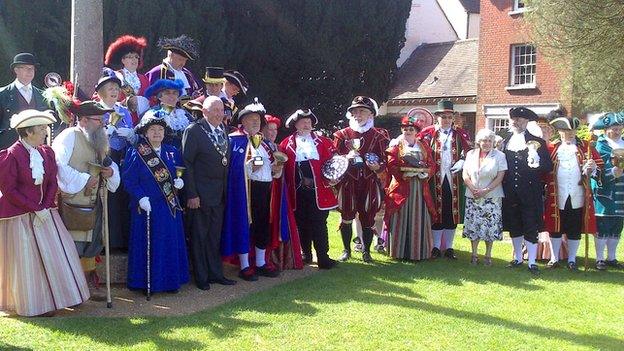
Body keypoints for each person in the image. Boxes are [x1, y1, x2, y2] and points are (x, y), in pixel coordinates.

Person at [0, 110, 89, 317]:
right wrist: (35, 208)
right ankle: (36, 303)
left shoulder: (46, 152)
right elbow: (9, 190)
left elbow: (51, 181)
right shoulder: (10, 156)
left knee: (57, 252)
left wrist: (46, 205)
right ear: (28, 132)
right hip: (19, 217)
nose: (45, 132)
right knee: (27, 259)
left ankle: (66, 296)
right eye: (41, 129)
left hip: (45, 213)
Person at [51, 100, 121, 298]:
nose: (101, 124)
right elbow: (58, 165)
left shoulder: (99, 140)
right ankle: (67, 290)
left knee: (93, 243)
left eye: (102, 120)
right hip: (72, 201)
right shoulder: (68, 136)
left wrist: (110, 172)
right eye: (97, 120)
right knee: (72, 244)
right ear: (82, 120)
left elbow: (109, 163)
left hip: (95, 200)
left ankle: (87, 286)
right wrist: (84, 179)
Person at [123, 114, 189, 293]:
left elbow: (179, 173)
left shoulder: (172, 151)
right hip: (146, 206)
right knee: (149, 244)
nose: (157, 133)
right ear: (145, 132)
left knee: (168, 243)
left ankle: (170, 282)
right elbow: (129, 181)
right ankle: (146, 283)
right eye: (152, 130)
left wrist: (179, 182)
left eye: (160, 130)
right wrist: (140, 197)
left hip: (169, 206)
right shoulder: (136, 152)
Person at [222, 100, 281, 281]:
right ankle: (245, 265)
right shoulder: (235, 140)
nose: (255, 122)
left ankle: (261, 263)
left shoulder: (264, 143)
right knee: (244, 224)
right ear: (243, 122)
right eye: (251, 119)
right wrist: (256, 163)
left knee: (262, 225)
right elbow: (240, 168)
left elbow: (269, 168)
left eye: (257, 119)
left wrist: (276, 167)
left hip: (265, 188)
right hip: (245, 190)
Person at [182, 96, 237, 290]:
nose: (219, 114)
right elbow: (187, 164)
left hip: (219, 193)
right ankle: (201, 276)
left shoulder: (223, 130)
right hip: (200, 195)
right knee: (199, 236)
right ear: (204, 111)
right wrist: (192, 194)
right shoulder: (194, 131)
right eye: (214, 110)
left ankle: (215, 273)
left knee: (214, 236)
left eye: (221, 110)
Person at [333, 96, 389, 263]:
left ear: (370, 114)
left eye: (362, 111)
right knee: (346, 216)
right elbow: (333, 158)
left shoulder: (379, 136)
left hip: (369, 182)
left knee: (368, 217)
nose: (358, 115)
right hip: (348, 181)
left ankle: (366, 251)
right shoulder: (342, 135)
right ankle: (346, 250)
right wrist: (345, 159)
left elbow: (386, 160)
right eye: (355, 111)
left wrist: (377, 167)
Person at [281, 109, 339, 269]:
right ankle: (306, 254)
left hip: (318, 191)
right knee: (302, 224)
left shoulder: (324, 142)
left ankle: (323, 257)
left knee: (319, 223)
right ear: (296, 124)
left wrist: (335, 177)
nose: (307, 124)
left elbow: (333, 164)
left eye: (309, 122)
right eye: (303, 122)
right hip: (297, 192)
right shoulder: (286, 144)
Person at [499, 107, 553, 275]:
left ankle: (531, 261)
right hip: (509, 190)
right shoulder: (503, 140)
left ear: (526, 122)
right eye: (514, 119)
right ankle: (517, 258)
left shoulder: (537, 142)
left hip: (530, 190)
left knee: (530, 224)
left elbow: (548, 166)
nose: (517, 122)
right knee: (514, 223)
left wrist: (537, 164)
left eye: (521, 120)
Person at [543, 116, 601, 270]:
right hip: (557, 194)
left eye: (573, 131)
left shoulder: (585, 147)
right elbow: (543, 170)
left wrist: (592, 168)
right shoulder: (551, 148)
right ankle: (554, 258)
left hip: (577, 194)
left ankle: (572, 259)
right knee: (555, 226)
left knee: (574, 226)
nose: (570, 134)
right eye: (566, 131)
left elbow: (598, 169)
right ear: (560, 132)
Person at [418, 100, 472, 260]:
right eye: (443, 117)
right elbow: (417, 149)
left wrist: (462, 160)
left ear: (453, 118)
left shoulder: (460, 133)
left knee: (451, 211)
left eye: (449, 117)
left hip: (454, 178)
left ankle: (449, 247)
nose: (447, 120)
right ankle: (435, 246)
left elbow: (469, 150)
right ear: (437, 117)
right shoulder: (428, 133)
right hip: (434, 178)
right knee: (436, 210)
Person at [384, 115, 437, 261]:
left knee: (418, 216)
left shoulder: (423, 146)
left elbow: (432, 164)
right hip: (402, 186)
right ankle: (398, 251)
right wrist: (404, 172)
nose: (408, 131)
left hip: (419, 188)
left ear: (416, 131)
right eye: (406, 129)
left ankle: (418, 252)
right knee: (400, 216)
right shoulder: (396, 145)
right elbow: (391, 164)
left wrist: (425, 173)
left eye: (411, 129)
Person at [95, 69, 135, 250]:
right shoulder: (95, 110)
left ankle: (123, 241)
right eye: (110, 87)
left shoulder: (124, 112)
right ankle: (108, 242)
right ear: (101, 91)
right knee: (107, 202)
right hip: (104, 159)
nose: (113, 91)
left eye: (116, 88)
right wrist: (104, 134)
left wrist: (131, 135)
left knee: (122, 200)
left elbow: (135, 137)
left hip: (123, 159)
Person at [461, 128, 507, 266]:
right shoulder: (470, 154)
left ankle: (488, 255)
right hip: (473, 195)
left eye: (489, 140)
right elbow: (465, 174)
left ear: (493, 142)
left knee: (490, 227)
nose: (486, 143)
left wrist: (485, 190)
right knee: (474, 225)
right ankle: (474, 254)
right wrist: (473, 188)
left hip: (492, 196)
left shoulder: (499, 156)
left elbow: (500, 176)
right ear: (478, 142)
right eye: (484, 141)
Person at [590, 112, 624, 270]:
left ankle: (612, 257)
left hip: (622, 190)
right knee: (603, 225)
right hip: (606, 191)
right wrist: (612, 172)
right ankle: (599, 258)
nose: (617, 131)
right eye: (613, 129)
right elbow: (598, 166)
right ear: (606, 129)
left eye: (619, 128)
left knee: (617, 225)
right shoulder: (601, 145)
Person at [0, 53, 49, 149]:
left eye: (32, 68)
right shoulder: (2, 94)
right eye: (25, 68)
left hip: (37, 148)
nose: (30, 71)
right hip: (9, 148)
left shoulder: (42, 95)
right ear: (16, 70)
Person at [103, 34, 150, 125]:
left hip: (141, 122)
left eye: (136, 57)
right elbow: (101, 96)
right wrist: (122, 104)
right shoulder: (115, 76)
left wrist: (141, 101)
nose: (134, 59)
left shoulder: (144, 79)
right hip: (120, 120)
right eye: (129, 57)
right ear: (122, 60)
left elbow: (151, 99)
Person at [145, 35, 201, 99]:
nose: (183, 63)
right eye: (180, 59)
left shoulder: (187, 74)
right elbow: (150, 97)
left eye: (185, 60)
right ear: (171, 55)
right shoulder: (156, 72)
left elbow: (198, 91)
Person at [142, 79, 193, 149]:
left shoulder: (185, 114)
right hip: (164, 155)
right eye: (167, 93)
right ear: (159, 97)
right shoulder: (152, 113)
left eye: (175, 93)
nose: (171, 96)